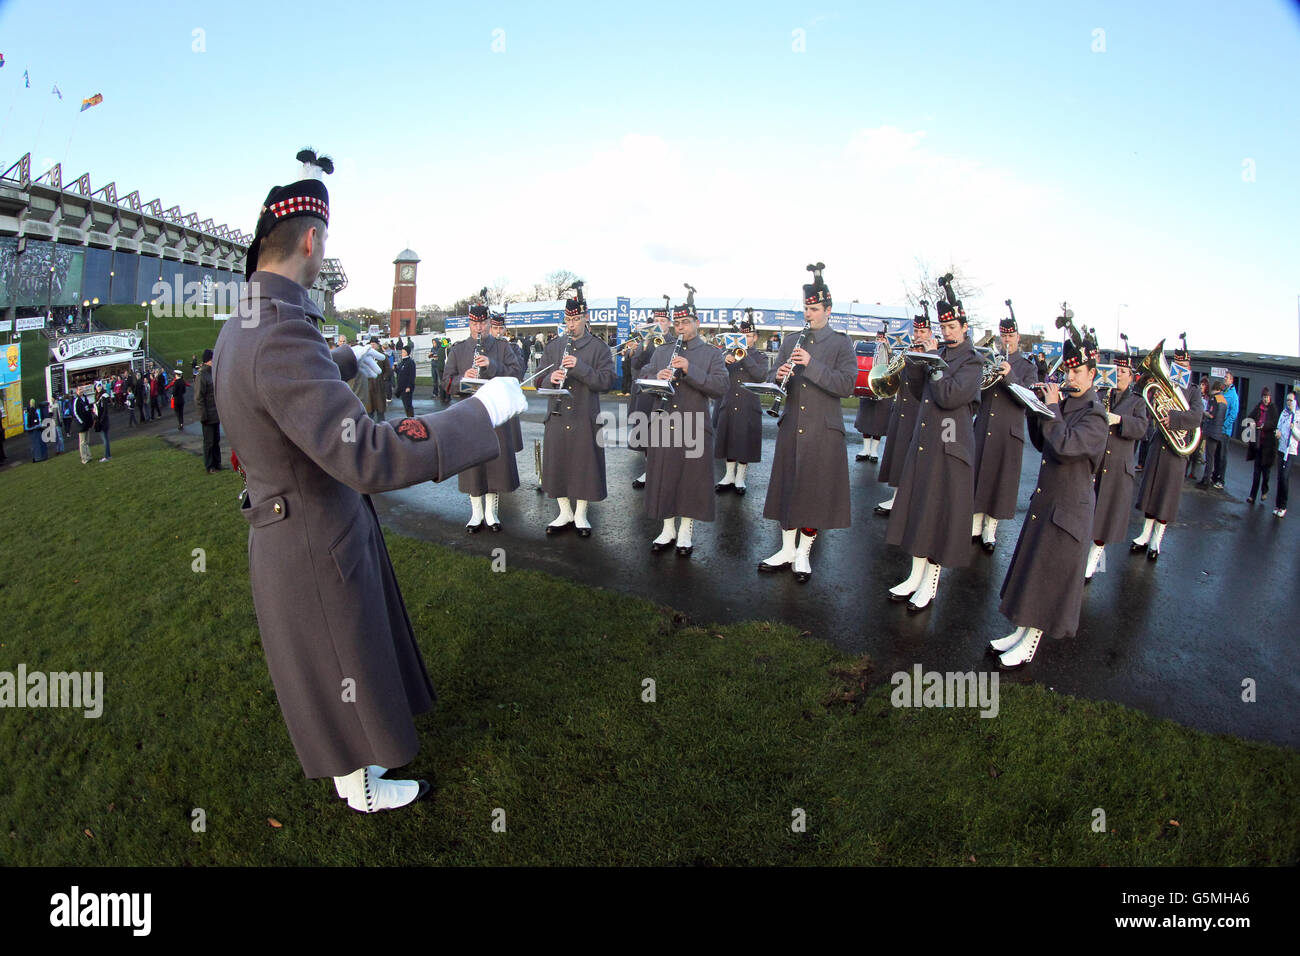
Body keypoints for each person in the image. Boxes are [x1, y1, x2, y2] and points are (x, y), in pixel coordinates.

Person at [212, 148, 526, 814]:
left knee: (336, 667)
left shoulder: (243, 325)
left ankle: (356, 776)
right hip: (316, 535)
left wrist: (350, 355)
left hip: (285, 525)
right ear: (312, 239)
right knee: (343, 663)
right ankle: (362, 792)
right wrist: (483, 412)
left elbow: (282, 388)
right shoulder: (279, 334)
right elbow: (372, 457)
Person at [990, 330, 1109, 667]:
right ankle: (1020, 632)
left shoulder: (1095, 415)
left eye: (1076, 372)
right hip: (1049, 502)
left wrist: (1053, 407)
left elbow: (1066, 446)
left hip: (1069, 510)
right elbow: (1044, 443)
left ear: (1091, 374)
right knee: (1032, 571)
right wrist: (1035, 409)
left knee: (1048, 580)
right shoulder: (1068, 405)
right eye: (1067, 372)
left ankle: (1031, 645)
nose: (1069, 377)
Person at [884, 284, 982, 610]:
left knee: (937, 515)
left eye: (952, 327)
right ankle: (915, 576)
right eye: (943, 327)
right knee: (919, 512)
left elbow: (949, 396)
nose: (947, 332)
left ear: (965, 327)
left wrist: (934, 363)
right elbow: (914, 391)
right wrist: (916, 359)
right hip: (926, 442)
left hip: (951, 446)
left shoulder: (972, 361)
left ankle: (931, 584)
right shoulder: (938, 353)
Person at [758, 263, 857, 583]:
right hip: (792, 425)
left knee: (814, 494)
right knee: (787, 489)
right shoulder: (789, 341)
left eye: (814, 308)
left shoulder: (842, 344)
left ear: (828, 309)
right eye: (805, 308)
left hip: (823, 432)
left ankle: (804, 552)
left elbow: (845, 385)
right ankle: (787, 549)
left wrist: (811, 365)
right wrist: (779, 375)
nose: (808, 314)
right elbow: (773, 378)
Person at [643, 298, 728, 556]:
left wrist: (690, 369)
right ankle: (668, 528)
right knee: (665, 478)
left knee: (690, 481)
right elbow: (643, 377)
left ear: (697, 323)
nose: (681, 327)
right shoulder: (662, 351)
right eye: (677, 323)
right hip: (664, 422)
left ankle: (685, 531)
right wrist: (655, 377)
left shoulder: (712, 353)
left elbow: (720, 387)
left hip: (694, 425)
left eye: (686, 322)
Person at [541, 283, 614, 536]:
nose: (571, 324)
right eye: (568, 319)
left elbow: (606, 382)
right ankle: (564, 513)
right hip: (558, 415)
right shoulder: (553, 347)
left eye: (576, 319)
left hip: (585, 416)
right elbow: (539, 380)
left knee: (584, 467)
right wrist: (551, 377)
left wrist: (580, 367)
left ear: (586, 318)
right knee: (558, 464)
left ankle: (581, 515)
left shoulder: (599, 348)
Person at [444, 304, 523, 532]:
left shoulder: (501, 347)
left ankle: (491, 512)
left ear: (489, 323)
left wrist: (492, 365)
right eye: (475, 323)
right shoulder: (459, 350)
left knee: (494, 464)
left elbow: (516, 374)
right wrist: (462, 378)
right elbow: (446, 382)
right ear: (469, 324)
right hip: (469, 414)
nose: (479, 327)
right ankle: (476, 513)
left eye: (483, 323)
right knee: (472, 466)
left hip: (495, 414)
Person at [970, 310, 1038, 552]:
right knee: (979, 474)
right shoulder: (992, 358)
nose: (1006, 340)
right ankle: (975, 524)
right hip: (985, 427)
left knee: (1001, 480)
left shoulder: (1028, 367)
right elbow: (979, 390)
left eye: (1010, 336)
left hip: (1009, 431)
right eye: (1003, 336)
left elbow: (1028, 399)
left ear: (1018, 337)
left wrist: (1009, 376)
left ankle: (991, 529)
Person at [1132, 342, 1203, 560]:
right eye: (1177, 363)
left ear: (1188, 366)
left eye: (1183, 364)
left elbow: (1197, 417)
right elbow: (1150, 405)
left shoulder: (1193, 392)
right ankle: (1144, 535)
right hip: (1159, 445)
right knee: (1151, 492)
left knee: (1166, 496)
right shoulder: (1165, 384)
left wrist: (1173, 418)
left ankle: (1156, 541)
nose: (1179, 367)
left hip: (1176, 452)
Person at [1085, 350, 1149, 581]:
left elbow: (1142, 428)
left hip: (1118, 468)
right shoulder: (1101, 394)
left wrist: (1120, 420)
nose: (1118, 375)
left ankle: (1093, 561)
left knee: (1106, 517)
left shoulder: (1138, 402)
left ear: (1131, 377)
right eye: (1116, 371)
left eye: (1123, 372)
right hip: (1097, 462)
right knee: (1087, 510)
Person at [874, 311, 933, 517]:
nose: (918, 335)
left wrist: (929, 354)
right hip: (902, 409)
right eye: (916, 330)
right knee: (899, 455)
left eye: (923, 331)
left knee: (916, 459)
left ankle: (912, 501)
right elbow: (893, 375)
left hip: (921, 412)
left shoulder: (936, 354)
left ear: (930, 333)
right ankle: (897, 496)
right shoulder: (908, 350)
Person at [713, 312, 765, 493]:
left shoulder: (759, 356)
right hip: (728, 402)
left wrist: (744, 357)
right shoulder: (727, 354)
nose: (746, 339)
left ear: (755, 337)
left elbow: (760, 376)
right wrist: (723, 359)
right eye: (743, 336)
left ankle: (740, 478)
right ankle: (728, 476)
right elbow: (716, 373)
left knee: (744, 442)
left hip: (749, 406)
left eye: (749, 336)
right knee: (728, 439)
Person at [628, 305, 674, 489]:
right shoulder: (645, 341)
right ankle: (650, 471)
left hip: (663, 394)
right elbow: (636, 363)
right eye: (657, 321)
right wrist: (645, 344)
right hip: (646, 392)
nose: (660, 324)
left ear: (669, 323)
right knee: (646, 434)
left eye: (663, 321)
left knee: (664, 435)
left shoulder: (674, 342)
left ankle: (665, 472)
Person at [854, 330, 892, 463]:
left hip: (883, 388)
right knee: (866, 418)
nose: (880, 340)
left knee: (879, 421)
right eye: (878, 337)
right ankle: (865, 449)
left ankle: (874, 451)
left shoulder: (891, 352)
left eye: (882, 338)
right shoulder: (872, 349)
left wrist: (889, 350)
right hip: (869, 385)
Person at [1246, 387, 1278, 505]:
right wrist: (1252, 423)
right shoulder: (1258, 407)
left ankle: (1265, 490)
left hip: (1268, 447)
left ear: (1270, 398)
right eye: (1264, 397)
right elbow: (1250, 417)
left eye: (1267, 397)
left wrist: (1264, 425)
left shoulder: (1273, 409)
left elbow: (1274, 422)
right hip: (1259, 445)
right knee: (1256, 473)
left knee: (1266, 473)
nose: (1265, 399)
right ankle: (1252, 496)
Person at [196, 348, 221, 473]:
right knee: (209, 442)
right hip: (208, 414)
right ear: (209, 360)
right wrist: (203, 415)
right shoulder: (202, 375)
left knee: (216, 440)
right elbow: (199, 397)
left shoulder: (211, 373)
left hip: (215, 413)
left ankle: (217, 463)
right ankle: (210, 466)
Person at [1198, 380, 1226, 490]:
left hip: (1211, 430)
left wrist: (1203, 412)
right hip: (1218, 431)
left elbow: (1211, 414)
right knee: (1212, 457)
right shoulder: (1223, 400)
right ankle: (1207, 479)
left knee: (1209, 457)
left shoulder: (1214, 399)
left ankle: (1206, 480)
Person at [1275, 391, 1299, 518]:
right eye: (1287, 400)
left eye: (1291, 400)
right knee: (1279, 477)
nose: (1288, 402)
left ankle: (1283, 505)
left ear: (1295, 401)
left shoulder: (1298, 416)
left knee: (1285, 477)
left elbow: (1299, 436)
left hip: (1290, 452)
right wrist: (1277, 433)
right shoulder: (1284, 413)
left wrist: (1293, 428)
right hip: (1281, 449)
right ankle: (1278, 505)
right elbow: (1278, 427)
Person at [1219, 371, 1238, 486]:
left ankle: (1221, 480)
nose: (1224, 379)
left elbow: (1233, 413)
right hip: (1217, 428)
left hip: (1225, 431)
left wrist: (1224, 425)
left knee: (1222, 455)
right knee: (1217, 454)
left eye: (1227, 378)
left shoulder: (1233, 396)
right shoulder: (1222, 392)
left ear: (1231, 381)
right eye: (1224, 377)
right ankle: (1215, 476)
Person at [73, 385, 95, 464]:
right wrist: (81, 422)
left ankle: (88, 456)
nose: (81, 391)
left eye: (82, 389)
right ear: (77, 391)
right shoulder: (76, 400)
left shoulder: (85, 399)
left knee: (87, 441)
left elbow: (88, 409)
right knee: (82, 442)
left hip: (87, 424)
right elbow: (75, 413)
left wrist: (90, 421)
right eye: (79, 390)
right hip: (81, 425)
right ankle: (84, 458)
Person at [395, 343, 416, 418]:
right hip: (401, 386)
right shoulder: (402, 362)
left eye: (403, 352)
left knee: (408, 404)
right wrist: (395, 369)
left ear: (407, 352)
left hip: (407, 387)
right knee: (405, 403)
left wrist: (409, 386)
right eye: (402, 352)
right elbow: (400, 372)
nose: (402, 353)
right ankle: (408, 416)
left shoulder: (410, 362)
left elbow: (412, 375)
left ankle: (411, 417)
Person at [24, 398, 48, 462]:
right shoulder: (35, 412)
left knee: (34, 445)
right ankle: (39, 456)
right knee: (38, 444)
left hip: (33, 430)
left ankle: (36, 457)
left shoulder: (29, 413)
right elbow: (36, 421)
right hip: (36, 429)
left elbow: (29, 424)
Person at [93, 384, 111, 461]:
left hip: (103, 421)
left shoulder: (103, 396)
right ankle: (108, 455)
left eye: (100, 386)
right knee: (105, 438)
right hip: (100, 419)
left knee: (105, 439)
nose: (99, 388)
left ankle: (106, 456)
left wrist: (101, 420)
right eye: (97, 386)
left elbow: (105, 410)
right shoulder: (97, 397)